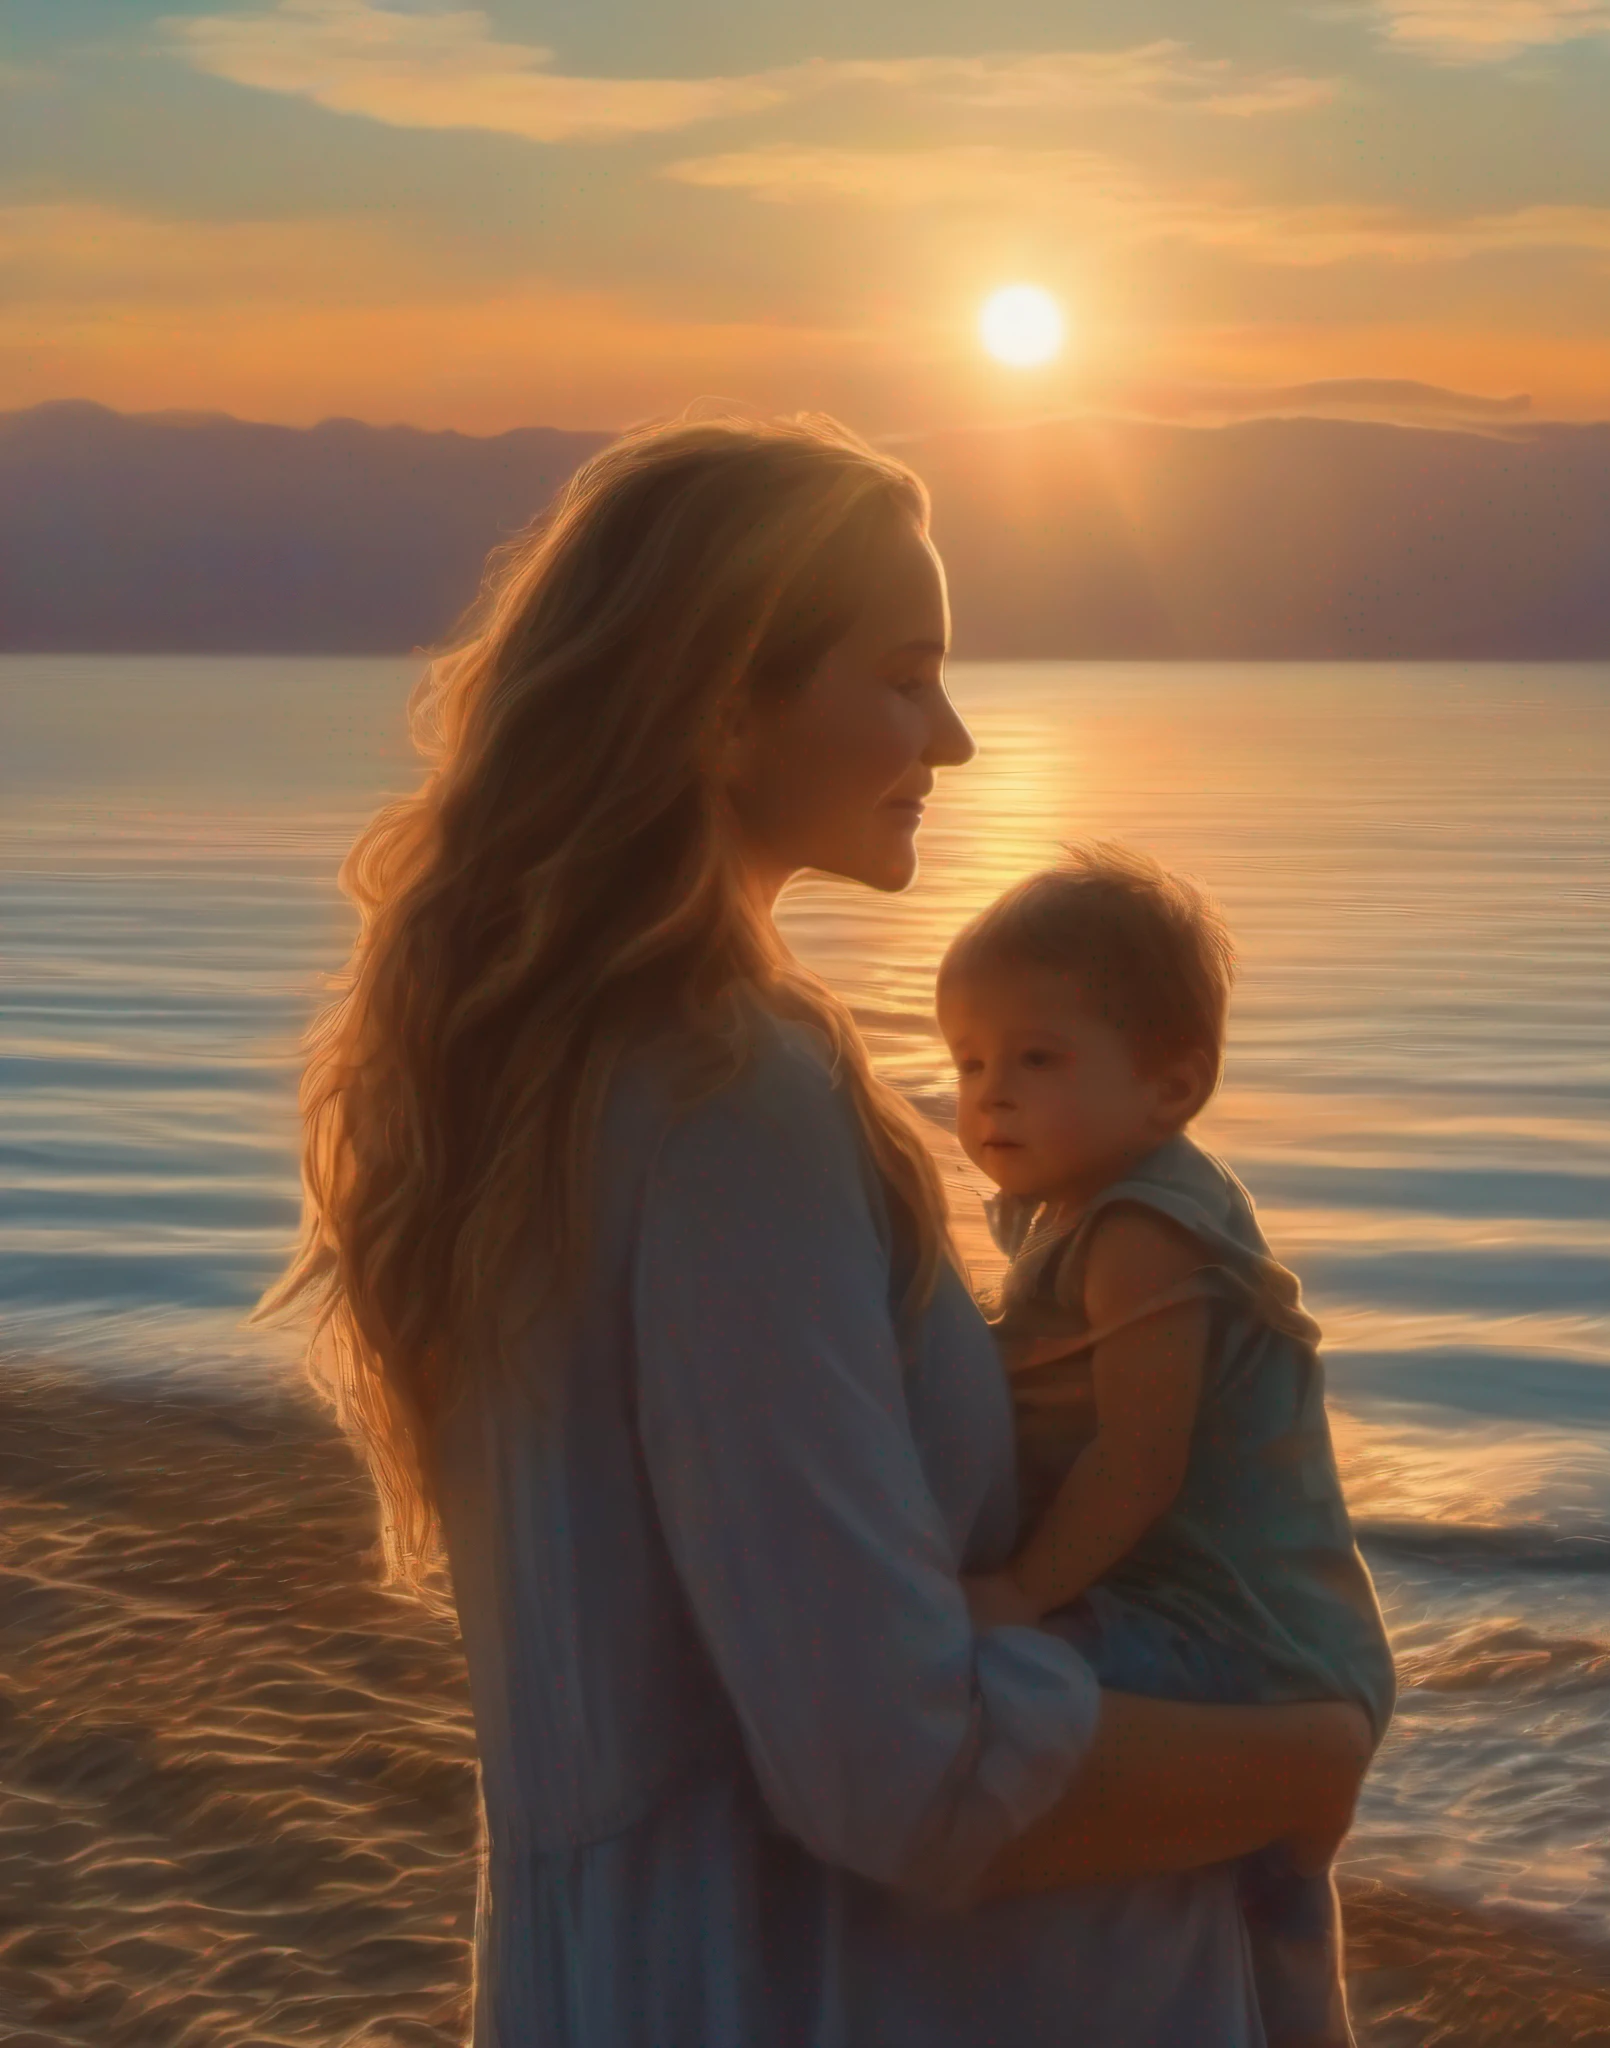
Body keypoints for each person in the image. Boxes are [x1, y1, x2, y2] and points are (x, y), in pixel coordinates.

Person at [259, 412, 1373, 2047]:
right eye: (905, 673)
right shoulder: (726, 1089)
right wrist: (1303, 1760)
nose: (959, 737)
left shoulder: (540, 1078)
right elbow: (892, 1769)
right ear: (726, 707)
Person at [936, 844, 1399, 2048]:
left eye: (1037, 1059)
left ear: (1170, 1084)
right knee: (1271, 1941)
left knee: (975, 1711)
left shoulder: (1143, 1230)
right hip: (1226, 1614)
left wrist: (1020, 1594)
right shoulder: (1087, 1203)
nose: (988, 1093)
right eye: (968, 1060)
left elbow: (1137, 1464)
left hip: (1242, 1630)